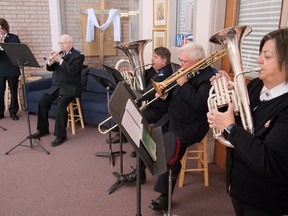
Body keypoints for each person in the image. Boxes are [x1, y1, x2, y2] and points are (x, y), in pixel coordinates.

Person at [207, 28, 288, 216]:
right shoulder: (256, 85)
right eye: (260, 54)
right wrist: (225, 97)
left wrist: (229, 127)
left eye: (267, 57)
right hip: (239, 187)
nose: (259, 60)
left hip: (266, 201)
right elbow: (241, 123)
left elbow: (271, 162)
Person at [149, 42, 217, 211]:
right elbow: (176, 94)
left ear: (197, 60)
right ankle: (141, 172)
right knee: (150, 135)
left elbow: (201, 104)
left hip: (191, 126)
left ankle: (165, 196)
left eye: (184, 61)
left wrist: (184, 84)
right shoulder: (188, 71)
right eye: (180, 60)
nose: (180, 64)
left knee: (170, 152)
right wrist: (164, 95)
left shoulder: (207, 77)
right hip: (174, 118)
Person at [121, 46, 174, 184]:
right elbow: (145, 80)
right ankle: (139, 150)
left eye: (155, 57)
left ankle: (140, 167)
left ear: (164, 60)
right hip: (154, 108)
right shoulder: (158, 71)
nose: (152, 60)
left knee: (139, 125)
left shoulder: (165, 74)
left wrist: (133, 94)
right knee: (134, 118)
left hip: (160, 112)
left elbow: (147, 92)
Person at [30, 34, 85, 147]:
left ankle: (61, 136)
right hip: (58, 86)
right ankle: (43, 129)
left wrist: (60, 60)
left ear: (70, 42)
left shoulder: (78, 55)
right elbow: (51, 69)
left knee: (60, 105)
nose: (61, 45)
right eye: (60, 43)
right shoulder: (60, 54)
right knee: (43, 101)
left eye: (63, 43)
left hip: (71, 88)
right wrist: (50, 61)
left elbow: (73, 71)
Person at [0, 18, 21, 121]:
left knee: (13, 91)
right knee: (0, 92)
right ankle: (0, 112)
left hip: (12, 68)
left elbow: (16, 53)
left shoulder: (14, 38)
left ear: (5, 28)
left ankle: (13, 112)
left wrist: (4, 44)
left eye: (1, 28)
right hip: (1, 69)